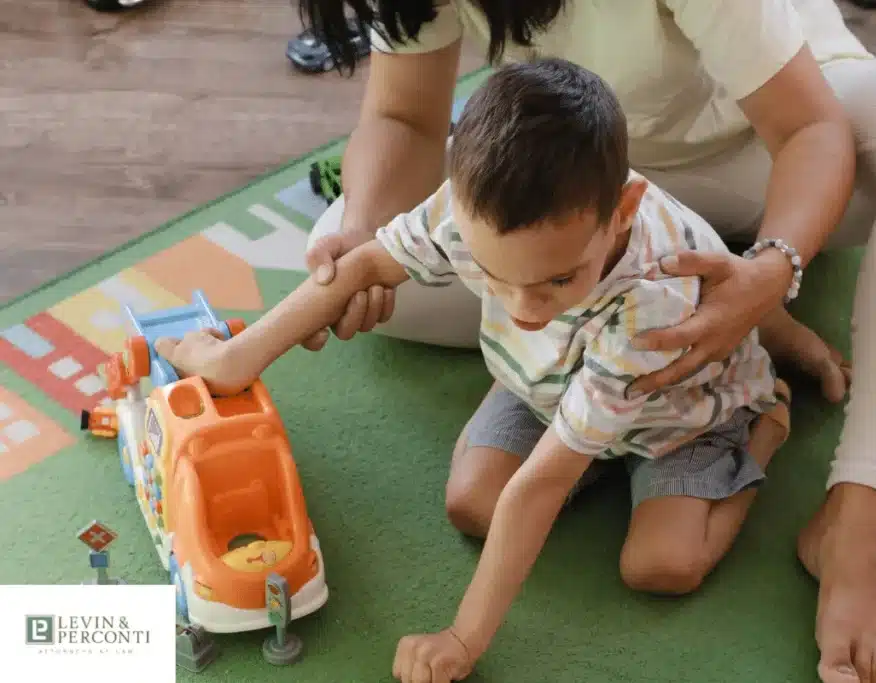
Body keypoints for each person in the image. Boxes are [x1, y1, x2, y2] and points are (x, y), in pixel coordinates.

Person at [296, 1, 876, 681]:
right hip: (583, 208)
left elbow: (811, 130)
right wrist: (364, 225)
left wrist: (771, 270)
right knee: (339, 251)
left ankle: (855, 517)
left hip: (767, 157)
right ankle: (570, 344)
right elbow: (403, 117)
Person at [157, 58, 799, 683]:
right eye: (495, 277)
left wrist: (463, 637)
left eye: (556, 279)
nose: (522, 311)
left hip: (680, 415)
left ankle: (765, 422)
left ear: (623, 211)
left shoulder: (650, 309)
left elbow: (541, 488)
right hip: (558, 383)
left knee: (661, 566)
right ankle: (572, 406)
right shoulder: (475, 200)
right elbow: (360, 267)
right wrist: (231, 359)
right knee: (472, 504)